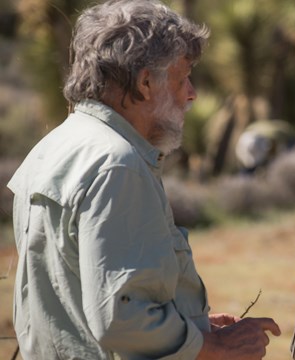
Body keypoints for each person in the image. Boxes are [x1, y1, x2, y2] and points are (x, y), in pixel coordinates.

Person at [7, 1, 280, 359]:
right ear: (146, 82)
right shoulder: (116, 164)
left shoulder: (52, 147)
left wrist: (188, 326)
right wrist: (213, 346)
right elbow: (121, 317)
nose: (192, 93)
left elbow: (77, 301)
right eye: (182, 78)